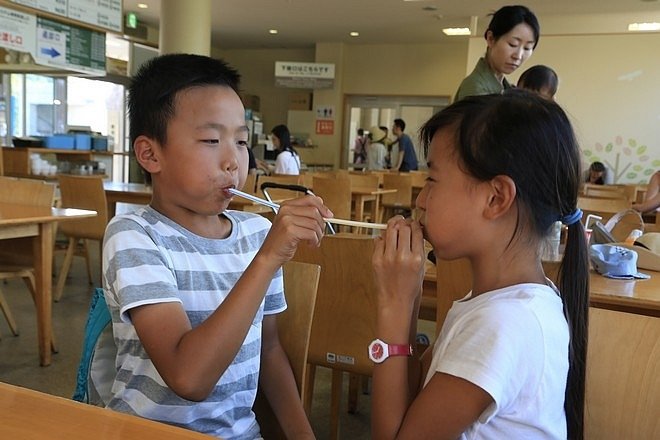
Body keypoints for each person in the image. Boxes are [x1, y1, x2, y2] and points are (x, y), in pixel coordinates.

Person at [102, 53, 330, 439]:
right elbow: (188, 378)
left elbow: (269, 350)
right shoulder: (134, 235)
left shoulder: (256, 232)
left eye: (241, 141)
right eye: (211, 140)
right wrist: (268, 258)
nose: (232, 160)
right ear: (150, 154)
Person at [370, 91, 589, 439]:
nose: (421, 200)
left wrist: (393, 304)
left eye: (432, 180)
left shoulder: (504, 324)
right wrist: (407, 298)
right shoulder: (500, 303)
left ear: (496, 198)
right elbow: (412, 404)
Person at [454, 5, 540, 102]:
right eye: (513, 44)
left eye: (527, 48)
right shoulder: (475, 88)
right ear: (491, 39)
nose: (518, 56)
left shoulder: (505, 88)